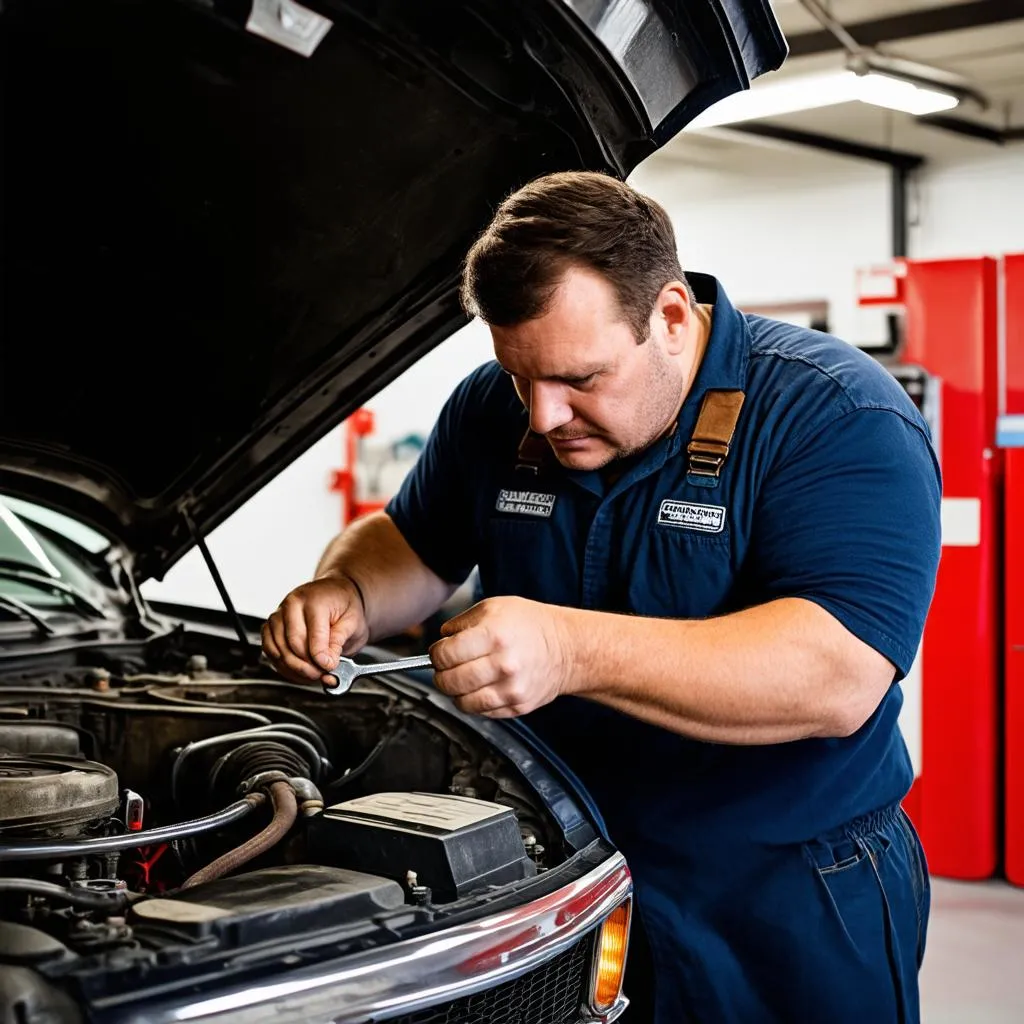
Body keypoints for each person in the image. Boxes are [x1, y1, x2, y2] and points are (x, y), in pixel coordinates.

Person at [263, 171, 941, 1023]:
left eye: (579, 378)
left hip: (783, 890)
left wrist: (569, 651)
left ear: (667, 316)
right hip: (562, 871)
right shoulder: (493, 412)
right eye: (521, 377)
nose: (544, 416)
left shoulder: (834, 415)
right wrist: (348, 591)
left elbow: (836, 675)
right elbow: (412, 542)